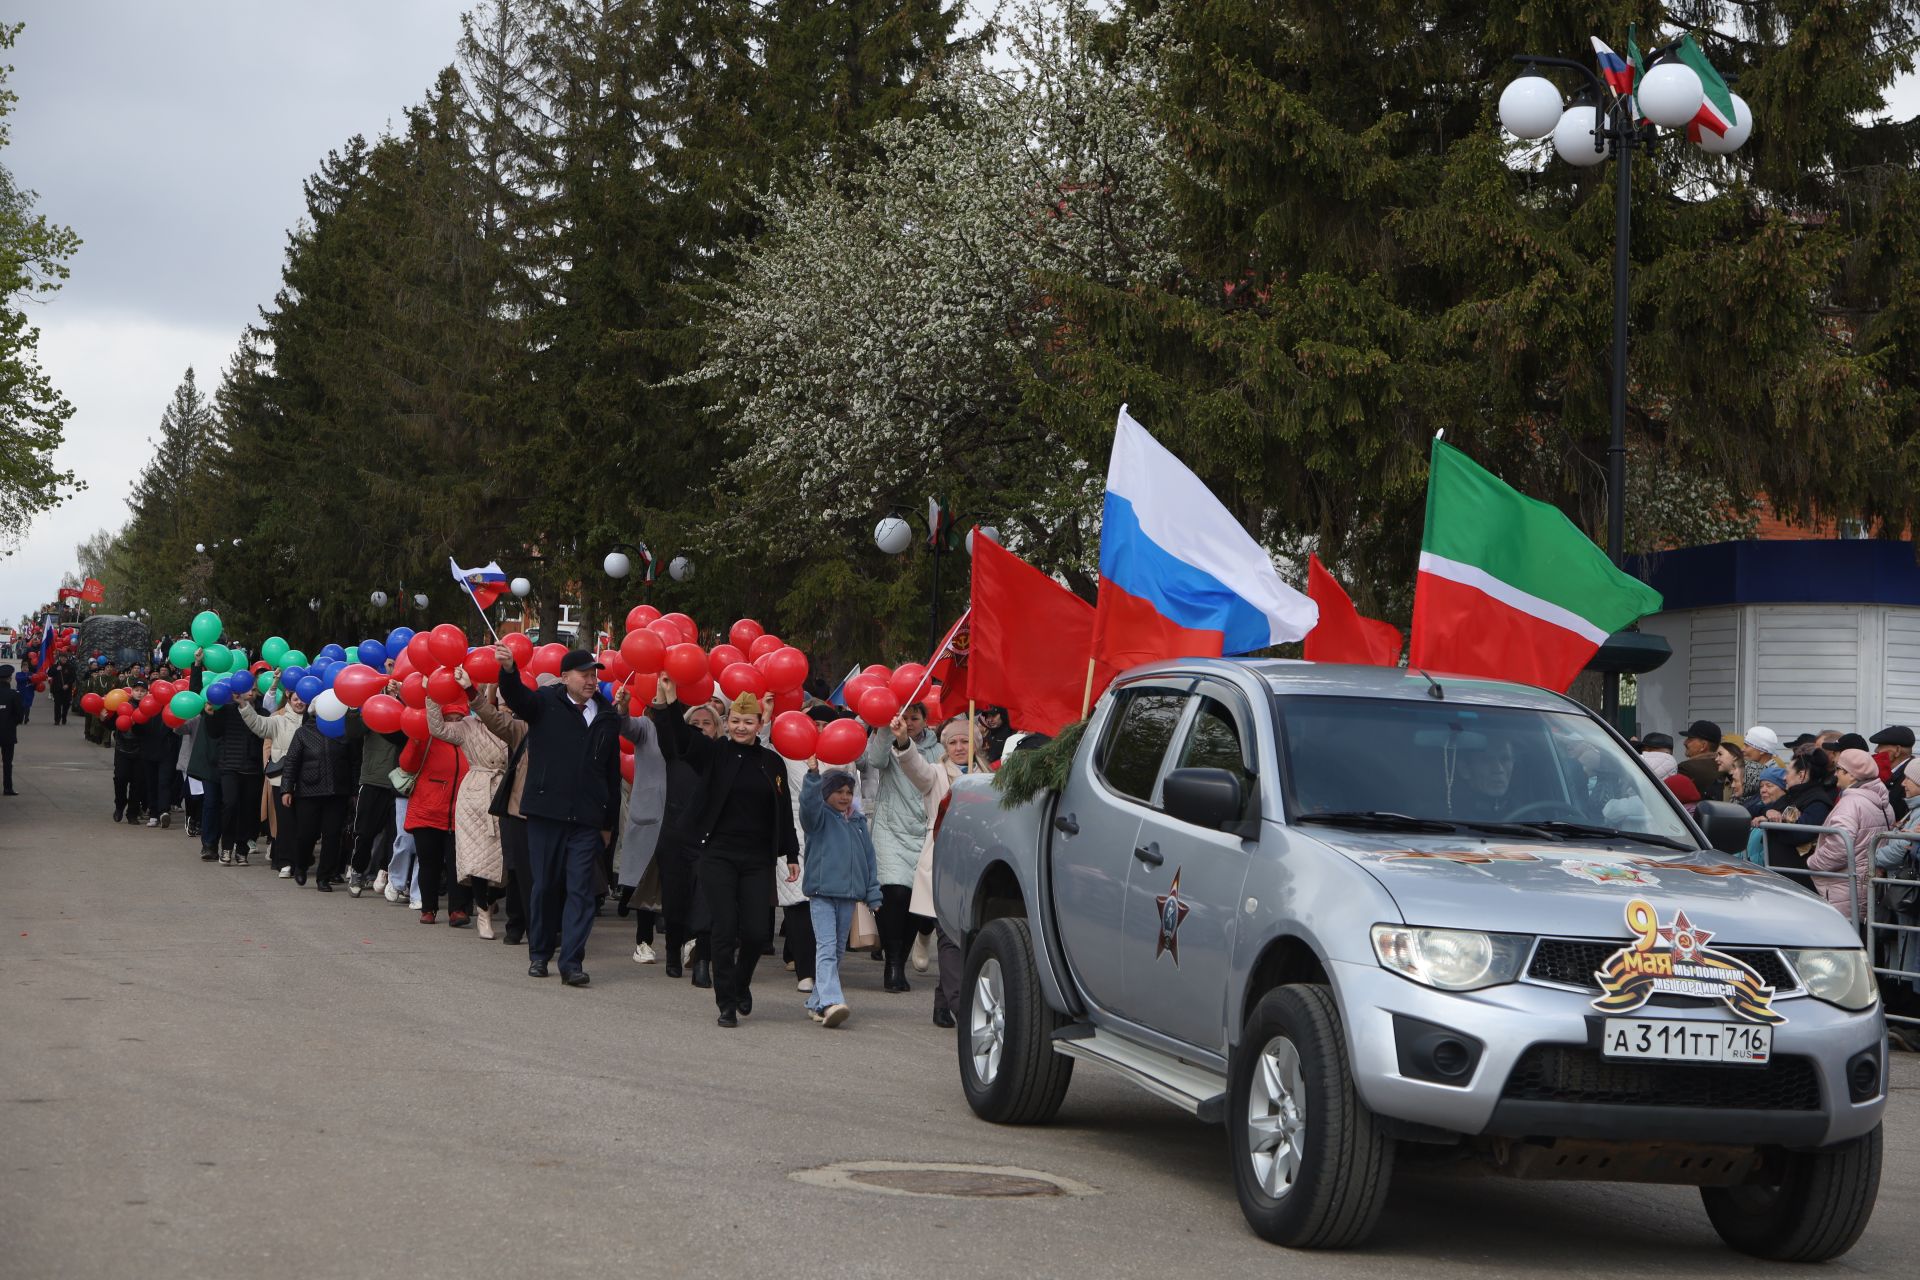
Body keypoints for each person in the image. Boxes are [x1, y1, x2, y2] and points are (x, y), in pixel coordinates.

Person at [650, 685, 800, 1027]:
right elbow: (684, 740)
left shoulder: (772, 762)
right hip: (717, 854)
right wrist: (671, 702)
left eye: (748, 721)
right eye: (735, 721)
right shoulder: (716, 753)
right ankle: (726, 1003)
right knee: (724, 929)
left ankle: (740, 982)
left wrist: (790, 851)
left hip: (757, 859)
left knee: (755, 934)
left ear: (760, 724)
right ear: (727, 722)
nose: (741, 727)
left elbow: (783, 810)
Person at [494, 645, 623, 988]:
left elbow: (611, 773)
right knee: (545, 885)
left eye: (595, 674)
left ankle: (572, 962)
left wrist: (609, 824)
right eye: (584, 674)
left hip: (586, 820)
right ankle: (539, 953)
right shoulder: (545, 703)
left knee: (580, 890)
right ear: (566, 677)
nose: (591, 680)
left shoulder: (608, 717)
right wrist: (509, 670)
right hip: (545, 813)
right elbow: (517, 697)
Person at [895, 715, 975, 1027]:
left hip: (978, 865)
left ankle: (942, 999)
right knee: (950, 935)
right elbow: (917, 769)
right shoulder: (938, 774)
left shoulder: (992, 775)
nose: (959, 747)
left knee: (967, 934)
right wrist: (903, 741)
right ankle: (960, 1002)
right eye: (953, 742)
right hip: (943, 861)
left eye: (965, 741)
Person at [861, 702, 942, 992]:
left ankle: (902, 954)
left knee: (914, 902)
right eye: (905, 717)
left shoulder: (937, 749)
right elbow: (876, 760)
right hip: (890, 828)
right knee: (893, 892)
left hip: (923, 831)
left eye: (915, 718)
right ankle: (893, 963)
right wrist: (885, 726)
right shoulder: (889, 736)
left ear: (925, 720)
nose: (909, 723)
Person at [797, 766, 883, 1028]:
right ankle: (832, 1001)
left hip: (849, 896)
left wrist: (873, 893)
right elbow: (808, 806)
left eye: (848, 791)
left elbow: (869, 859)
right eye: (837, 791)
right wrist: (812, 779)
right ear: (825, 793)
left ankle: (816, 1002)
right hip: (822, 893)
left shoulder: (857, 821)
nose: (844, 797)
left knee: (835, 950)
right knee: (826, 948)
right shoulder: (818, 817)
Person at [427, 672, 510, 937]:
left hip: (505, 793)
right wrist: (432, 696)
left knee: (507, 859)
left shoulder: (513, 725)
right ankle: (482, 911)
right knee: (476, 857)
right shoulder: (467, 726)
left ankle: (493, 897)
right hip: (475, 794)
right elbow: (438, 729)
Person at [607, 683, 667, 964]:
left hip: (682, 815)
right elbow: (625, 726)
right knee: (645, 880)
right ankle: (643, 941)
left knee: (681, 880)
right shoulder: (646, 726)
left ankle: (688, 941)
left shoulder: (691, 727)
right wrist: (622, 707)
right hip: (650, 813)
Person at [404, 705, 471, 926]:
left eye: (458, 717)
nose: (453, 721)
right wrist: (415, 741)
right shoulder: (428, 736)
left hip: (459, 813)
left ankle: (457, 910)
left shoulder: (469, 740)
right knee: (429, 863)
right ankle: (428, 908)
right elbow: (406, 764)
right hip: (428, 811)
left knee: (457, 864)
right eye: (448, 717)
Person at [1810, 747, 1894, 921]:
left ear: (1852, 775)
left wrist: (1813, 862)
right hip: (1866, 885)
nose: (1835, 774)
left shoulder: (1850, 804)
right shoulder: (1883, 802)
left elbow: (1839, 848)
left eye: (1839, 769)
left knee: (1838, 941)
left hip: (1843, 887)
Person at [277, 705, 354, 890]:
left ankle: (324, 877)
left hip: (337, 792)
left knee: (332, 836)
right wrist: (287, 788)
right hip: (308, 792)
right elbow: (291, 762)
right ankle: (301, 865)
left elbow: (353, 763)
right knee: (306, 834)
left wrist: (353, 790)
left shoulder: (344, 733)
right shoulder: (303, 733)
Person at [345, 694, 407, 897]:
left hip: (400, 783)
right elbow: (353, 732)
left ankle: (391, 876)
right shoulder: (374, 708)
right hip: (373, 781)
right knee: (365, 832)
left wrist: (402, 697)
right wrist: (354, 709)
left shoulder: (407, 708)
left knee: (397, 836)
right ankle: (357, 870)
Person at [237, 683, 302, 872]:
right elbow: (258, 724)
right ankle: (285, 862)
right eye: (295, 699)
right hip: (281, 780)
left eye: (302, 699)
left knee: (303, 823)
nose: (299, 703)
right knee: (285, 822)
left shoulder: (314, 721)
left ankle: (299, 860)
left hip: (306, 780)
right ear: (289, 698)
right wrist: (243, 704)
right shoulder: (278, 720)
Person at [1755, 751, 1838, 889]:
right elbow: (1765, 809)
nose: (1784, 778)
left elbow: (1801, 834)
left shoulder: (1818, 801)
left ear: (1801, 775)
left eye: (1787, 772)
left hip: (1798, 880)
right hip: (1780, 874)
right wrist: (1768, 812)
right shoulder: (1793, 795)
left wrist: (1775, 823)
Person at [1870, 726, 1915, 822]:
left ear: (1897, 750)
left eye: (1880, 745)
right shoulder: (1886, 772)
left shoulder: (1913, 777)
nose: (1876, 750)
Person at [1676, 720, 1724, 802]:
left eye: (1690, 739)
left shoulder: (1686, 768)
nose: (1685, 742)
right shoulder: (1725, 766)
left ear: (1703, 745)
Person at [1740, 725, 1787, 797]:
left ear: (1762, 751)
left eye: (1747, 746)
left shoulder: (1773, 777)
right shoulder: (1750, 769)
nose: (1742, 749)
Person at [0, 665, 19, 795]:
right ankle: (7, 788)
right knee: (7, 762)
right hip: (7, 733)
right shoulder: (14, 694)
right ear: (9, 678)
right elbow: (19, 716)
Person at [48, 657, 73, 726]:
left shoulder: (70, 666)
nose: (63, 660)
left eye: (65, 659)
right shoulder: (55, 666)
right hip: (57, 689)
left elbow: (73, 677)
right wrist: (56, 669)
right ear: (60, 659)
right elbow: (49, 673)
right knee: (57, 705)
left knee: (66, 705)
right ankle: (57, 720)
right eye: (62, 658)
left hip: (67, 690)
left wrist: (68, 684)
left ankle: (64, 717)